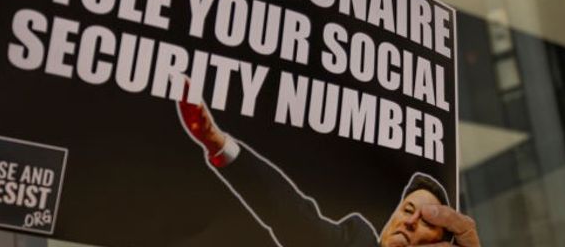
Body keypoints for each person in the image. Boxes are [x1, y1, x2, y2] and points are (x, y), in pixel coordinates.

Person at [177, 85, 481, 247]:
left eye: (428, 221)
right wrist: (217, 142)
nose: (411, 221)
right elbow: (291, 214)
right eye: (407, 209)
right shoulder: (356, 241)